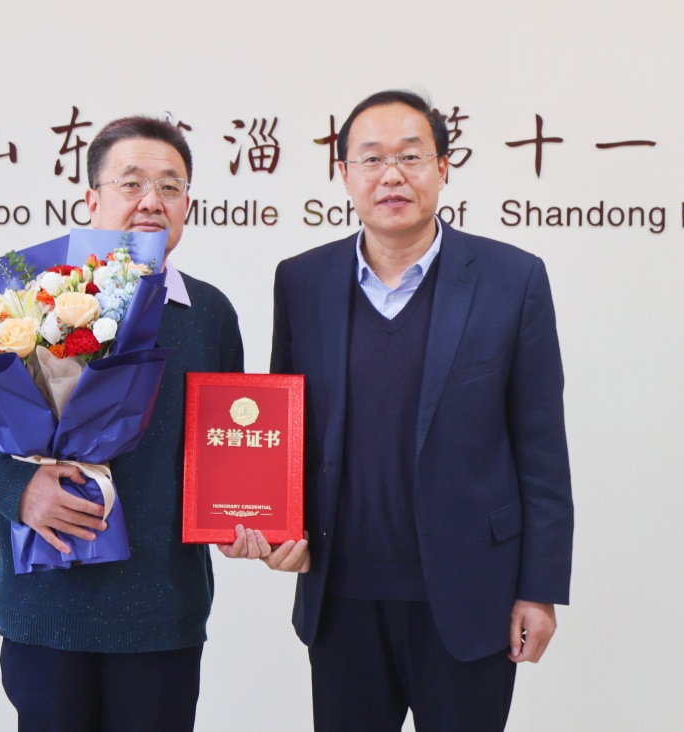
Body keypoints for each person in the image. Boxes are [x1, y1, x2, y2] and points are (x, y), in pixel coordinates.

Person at [222, 90, 574, 731]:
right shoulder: (301, 282)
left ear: (443, 168)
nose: (392, 175)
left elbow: (541, 447)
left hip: (473, 594)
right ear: (344, 174)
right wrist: (271, 524)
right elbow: (286, 431)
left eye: (411, 157)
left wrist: (539, 588)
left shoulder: (512, 279)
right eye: (372, 159)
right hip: (342, 597)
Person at [0, 116, 244, 732]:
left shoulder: (209, 312)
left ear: (187, 204)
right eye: (131, 184)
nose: (152, 201)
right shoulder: (29, 302)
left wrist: (245, 515)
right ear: (91, 200)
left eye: (171, 186)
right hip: (47, 607)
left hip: (162, 613)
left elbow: (228, 449)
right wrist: (18, 490)